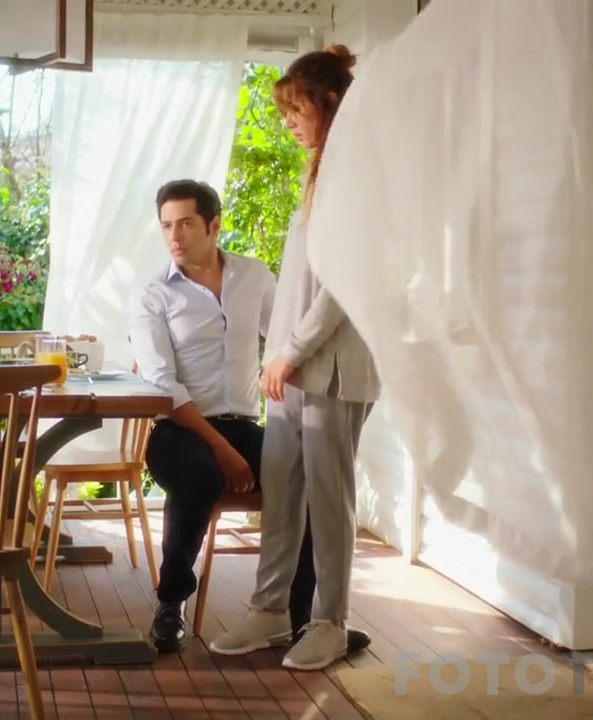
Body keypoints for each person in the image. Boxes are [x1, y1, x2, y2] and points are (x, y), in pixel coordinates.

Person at [129, 178, 371, 654]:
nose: (174, 236)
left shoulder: (254, 276)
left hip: (241, 425)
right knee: (198, 476)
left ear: (213, 225)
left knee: (302, 476)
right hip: (177, 429)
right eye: (166, 226)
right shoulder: (152, 295)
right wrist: (223, 452)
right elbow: (163, 388)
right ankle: (170, 603)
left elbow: (283, 338)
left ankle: (305, 619)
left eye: (185, 224)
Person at [207, 45, 380, 671]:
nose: (287, 123)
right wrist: (277, 356)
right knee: (280, 490)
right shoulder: (319, 172)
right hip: (291, 366)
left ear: (330, 104)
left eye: (295, 110)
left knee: (330, 503)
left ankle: (330, 620)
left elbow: (343, 286)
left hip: (333, 368)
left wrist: (291, 353)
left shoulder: (359, 178)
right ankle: (270, 609)